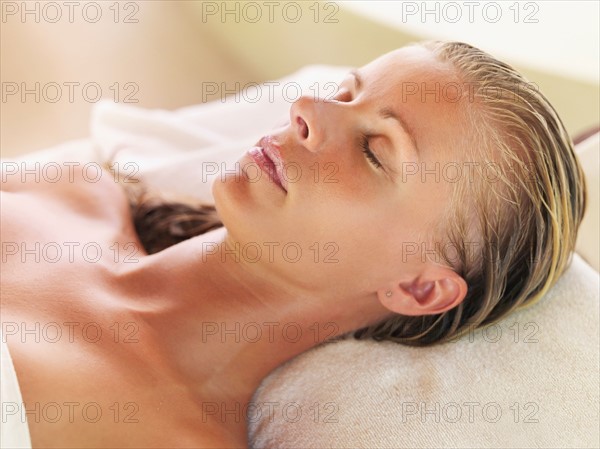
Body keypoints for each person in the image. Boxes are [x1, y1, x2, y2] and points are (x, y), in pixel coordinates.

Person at [0, 41, 586, 448]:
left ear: (418, 286)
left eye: (375, 151)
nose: (307, 110)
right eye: (344, 92)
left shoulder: (166, 439)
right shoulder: (67, 192)